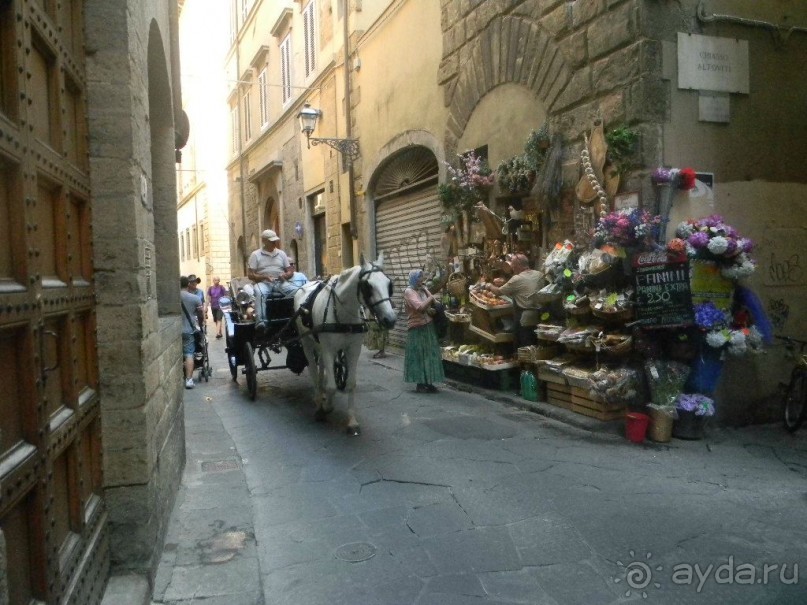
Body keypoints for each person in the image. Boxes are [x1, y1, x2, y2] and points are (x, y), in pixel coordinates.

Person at [483, 253, 545, 347]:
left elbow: (498, 292)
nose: (512, 268)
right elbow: (524, 286)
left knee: (523, 345)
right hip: (540, 315)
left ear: (518, 266)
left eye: (513, 266)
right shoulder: (539, 274)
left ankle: (523, 360)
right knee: (536, 344)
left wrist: (488, 285)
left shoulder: (517, 279)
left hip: (524, 317)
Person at [403, 269, 445, 393]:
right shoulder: (409, 292)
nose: (422, 281)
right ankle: (420, 383)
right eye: (419, 279)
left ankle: (429, 382)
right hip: (416, 328)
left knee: (429, 355)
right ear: (414, 280)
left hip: (428, 325)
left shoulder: (422, 290)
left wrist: (428, 293)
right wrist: (431, 297)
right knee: (419, 356)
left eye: (422, 279)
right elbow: (420, 307)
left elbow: (434, 303)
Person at [247, 229, 293, 333]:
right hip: (264, 283)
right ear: (264, 241)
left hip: (280, 282)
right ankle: (261, 322)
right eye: (271, 241)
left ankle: (296, 316)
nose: (274, 243)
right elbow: (250, 275)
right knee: (260, 293)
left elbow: (290, 271)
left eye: (275, 241)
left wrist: (285, 275)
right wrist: (264, 277)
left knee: (296, 291)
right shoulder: (255, 255)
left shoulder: (281, 254)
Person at [180, 276, 203, 389]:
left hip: (175, 330)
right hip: (188, 330)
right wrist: (201, 324)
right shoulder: (194, 298)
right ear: (187, 285)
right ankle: (189, 380)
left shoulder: (172, 297)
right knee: (189, 354)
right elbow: (201, 314)